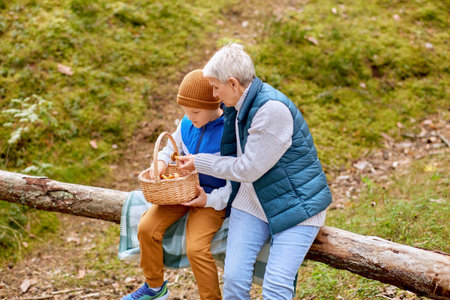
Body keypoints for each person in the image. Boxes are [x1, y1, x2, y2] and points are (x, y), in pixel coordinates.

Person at [179, 44, 332, 300]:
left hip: (295, 205)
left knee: (275, 287)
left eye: (216, 87)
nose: (214, 94)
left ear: (233, 83)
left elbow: (247, 169)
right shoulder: (236, 106)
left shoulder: (271, 111)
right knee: (234, 279)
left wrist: (199, 162)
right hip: (252, 202)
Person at [122, 69, 230, 300]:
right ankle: (155, 287)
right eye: (185, 111)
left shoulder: (228, 132)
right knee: (147, 228)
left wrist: (210, 200)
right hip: (181, 190)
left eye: (195, 111)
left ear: (215, 104)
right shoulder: (187, 124)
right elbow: (171, 147)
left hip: (211, 198)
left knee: (196, 249)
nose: (190, 116)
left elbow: (235, 179)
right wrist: (160, 162)